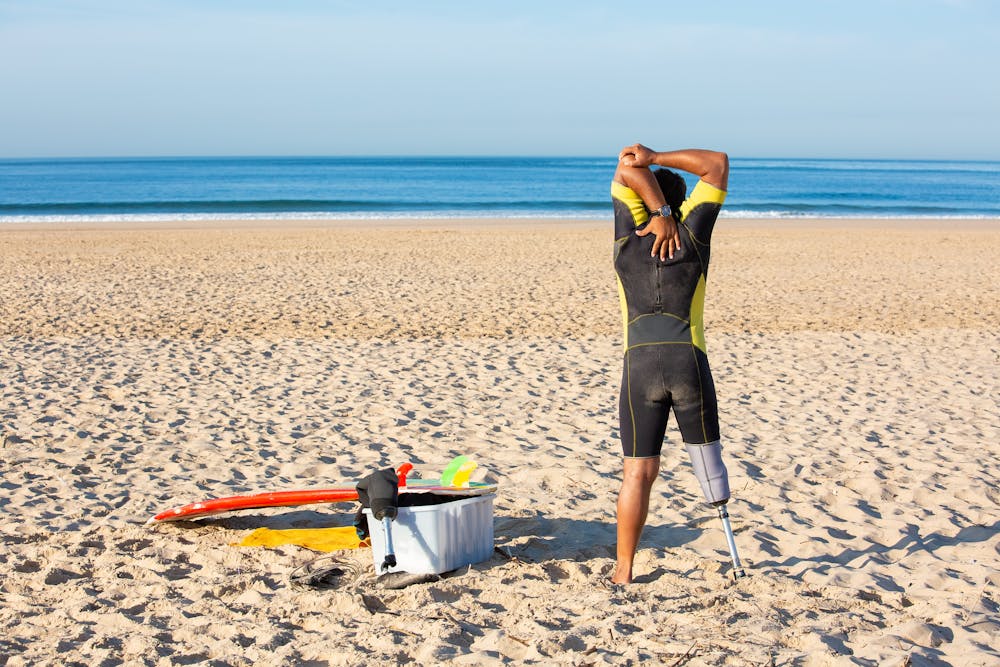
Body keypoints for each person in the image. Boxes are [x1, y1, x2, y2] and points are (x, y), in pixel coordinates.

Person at [610, 143, 742, 584]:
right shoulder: (694, 237)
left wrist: (657, 209)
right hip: (688, 364)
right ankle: (734, 554)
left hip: (639, 369)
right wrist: (660, 160)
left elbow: (627, 167)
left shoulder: (627, 239)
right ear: (683, 202)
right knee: (708, 460)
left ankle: (623, 569)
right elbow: (717, 163)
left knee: (638, 471)